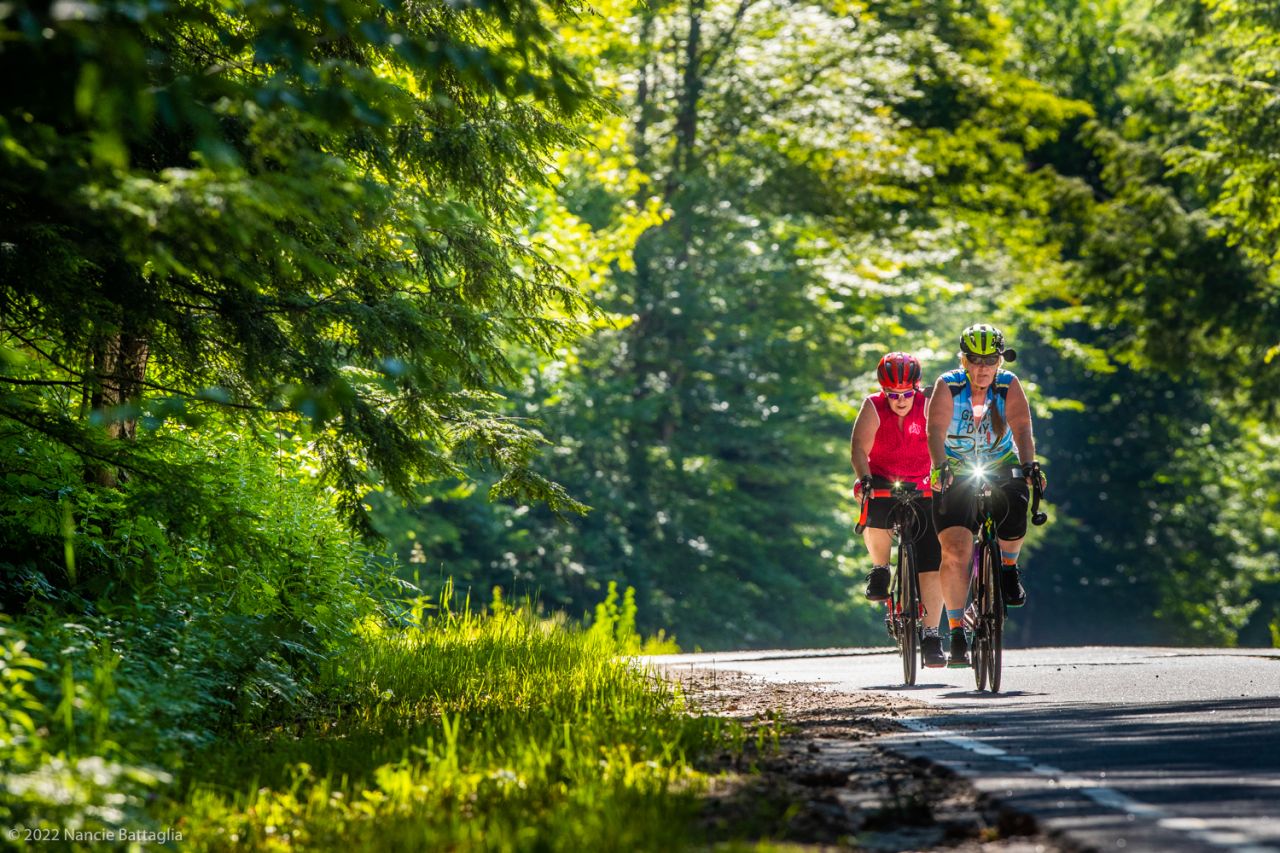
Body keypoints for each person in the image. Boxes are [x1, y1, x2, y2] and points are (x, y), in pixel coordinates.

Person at [926, 323, 1045, 668]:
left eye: (990, 359)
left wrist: (1029, 465)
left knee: (1016, 508)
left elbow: (1022, 428)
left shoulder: (1009, 386)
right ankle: (957, 630)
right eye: (975, 359)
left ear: (1000, 360)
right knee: (955, 550)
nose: (982, 367)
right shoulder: (947, 385)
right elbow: (935, 430)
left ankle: (1008, 568)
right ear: (963, 360)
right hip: (957, 468)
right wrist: (940, 466)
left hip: (999, 462)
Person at [851, 351, 948, 668]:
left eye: (907, 393)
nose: (901, 400)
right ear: (883, 391)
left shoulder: (929, 404)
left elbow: (948, 441)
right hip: (883, 480)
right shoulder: (873, 407)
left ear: (917, 388)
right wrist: (865, 479)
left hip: (924, 484)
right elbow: (858, 449)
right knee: (874, 507)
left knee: (932, 560)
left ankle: (932, 635)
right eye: (893, 395)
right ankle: (880, 569)